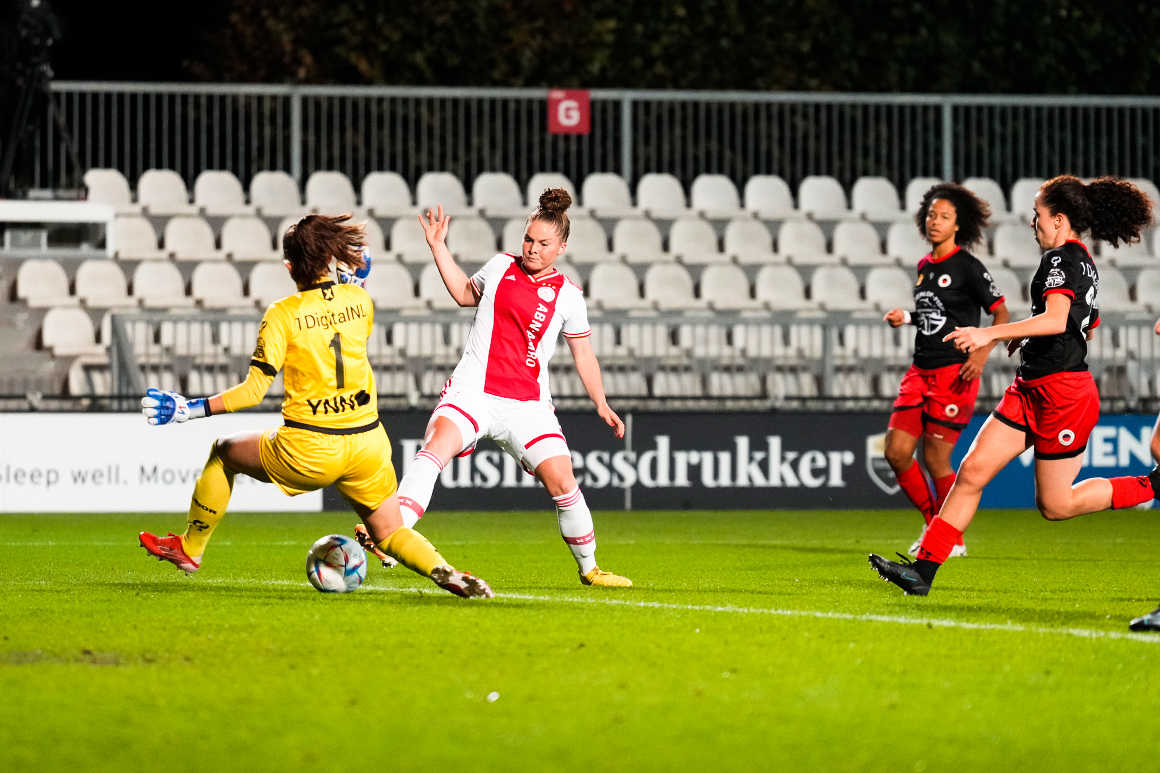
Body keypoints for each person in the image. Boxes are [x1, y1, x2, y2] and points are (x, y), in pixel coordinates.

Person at [137, 214, 493, 599]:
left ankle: (190, 548)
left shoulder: (282, 314)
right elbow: (343, 303)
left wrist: (190, 409)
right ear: (330, 261)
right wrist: (351, 275)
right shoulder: (359, 300)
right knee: (390, 532)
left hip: (309, 448)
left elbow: (254, 391)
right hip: (367, 446)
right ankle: (443, 569)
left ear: (289, 267)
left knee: (224, 453)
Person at [869, 175, 1155, 597]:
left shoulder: (1061, 260)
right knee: (971, 471)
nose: (1032, 224)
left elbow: (1059, 321)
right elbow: (1084, 327)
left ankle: (1154, 485)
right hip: (1030, 387)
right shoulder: (1081, 263)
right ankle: (923, 570)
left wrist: (991, 334)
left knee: (1055, 506)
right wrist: (1029, 334)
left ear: (1059, 220)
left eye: (1037, 215)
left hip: (1063, 395)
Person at [387, 188, 632, 587]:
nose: (533, 249)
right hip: (474, 392)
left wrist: (601, 403)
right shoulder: (501, 266)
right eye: (529, 239)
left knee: (564, 483)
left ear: (562, 247)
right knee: (435, 448)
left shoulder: (569, 297)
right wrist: (438, 247)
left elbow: (584, 355)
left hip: (528, 406)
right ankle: (390, 536)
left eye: (544, 244)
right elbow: (465, 294)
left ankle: (591, 569)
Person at [883, 183, 1010, 557]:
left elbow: (1000, 313)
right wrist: (906, 316)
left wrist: (982, 353)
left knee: (936, 459)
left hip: (955, 373)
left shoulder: (968, 267)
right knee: (896, 452)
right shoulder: (924, 267)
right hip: (919, 371)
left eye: (944, 217)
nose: (935, 221)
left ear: (958, 225)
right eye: (931, 215)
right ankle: (934, 526)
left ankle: (950, 538)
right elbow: (935, 316)